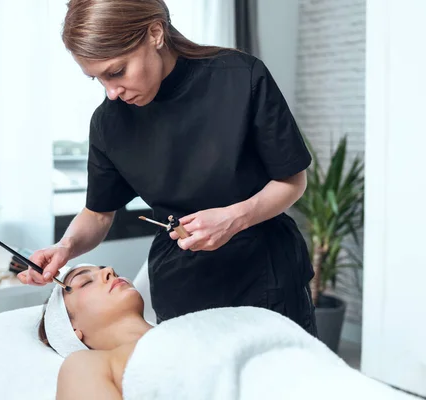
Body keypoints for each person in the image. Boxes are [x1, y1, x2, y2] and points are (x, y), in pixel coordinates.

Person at [20, 0, 317, 336]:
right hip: (181, 284)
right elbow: (98, 213)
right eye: (97, 79)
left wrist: (236, 218)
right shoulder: (109, 123)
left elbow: (292, 180)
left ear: (155, 33)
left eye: (116, 72)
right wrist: (65, 247)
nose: (111, 92)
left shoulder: (240, 76)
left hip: (267, 275)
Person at [39, 264, 152, 399]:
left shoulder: (180, 324)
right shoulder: (83, 367)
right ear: (72, 331)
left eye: (115, 272)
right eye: (86, 282)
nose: (109, 270)